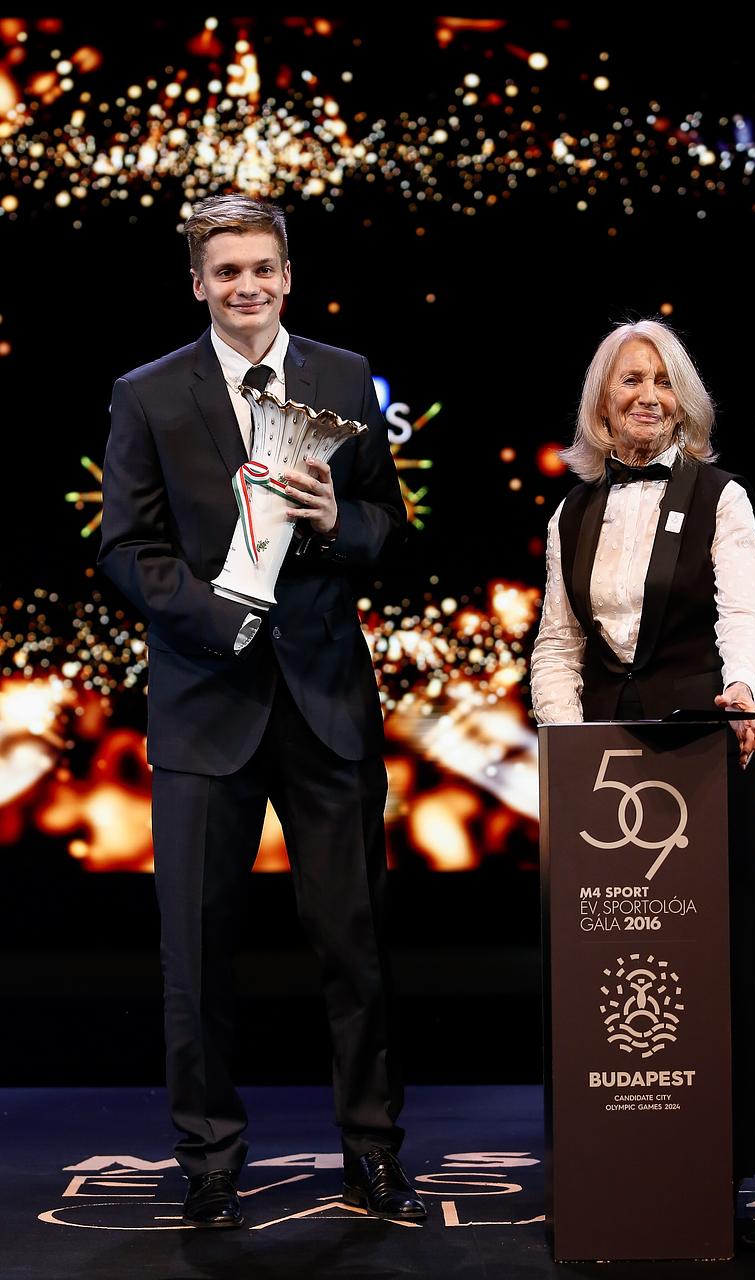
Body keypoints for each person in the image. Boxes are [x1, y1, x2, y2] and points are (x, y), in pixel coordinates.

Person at [98, 194, 425, 1227]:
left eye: (263, 268)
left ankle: (372, 1151)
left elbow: (390, 525)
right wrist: (218, 617)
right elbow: (125, 545)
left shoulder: (342, 374)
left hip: (326, 702)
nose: (248, 286)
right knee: (195, 952)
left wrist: (337, 521)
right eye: (227, 271)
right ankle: (208, 1161)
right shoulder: (149, 392)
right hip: (205, 704)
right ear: (198, 283)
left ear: (288, 275)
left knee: (354, 942)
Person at [530, 318, 755, 1181]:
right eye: (629, 380)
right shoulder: (571, 512)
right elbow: (557, 644)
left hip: (702, 755)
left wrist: (742, 688)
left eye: (662, 380)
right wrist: (564, 747)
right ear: (601, 403)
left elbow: (743, 614)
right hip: (601, 773)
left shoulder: (721, 497)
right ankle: (605, 1164)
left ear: (684, 401)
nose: (646, 395)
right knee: (598, 962)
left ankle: (710, 1163)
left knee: (707, 962)